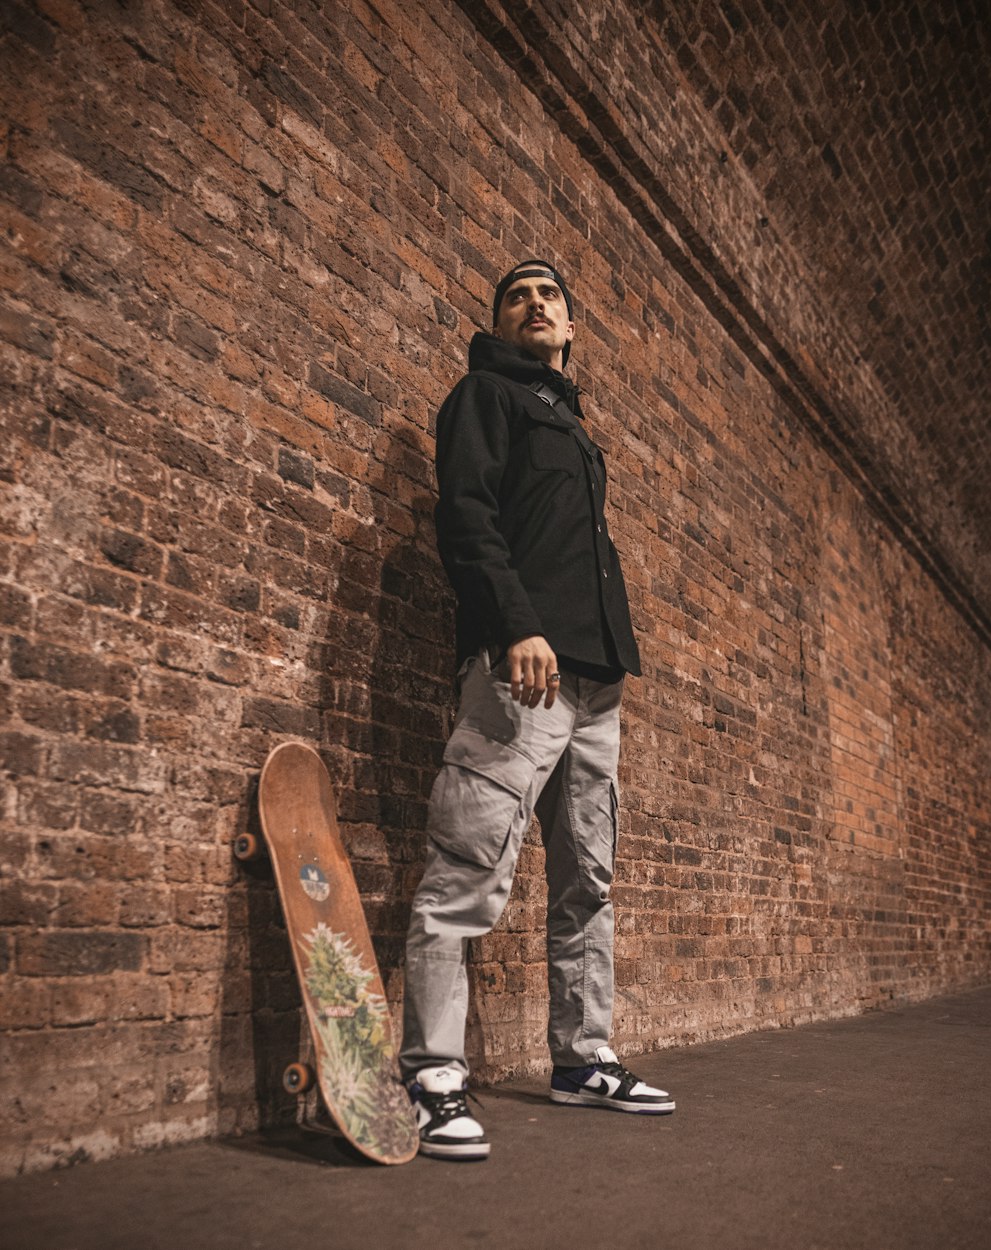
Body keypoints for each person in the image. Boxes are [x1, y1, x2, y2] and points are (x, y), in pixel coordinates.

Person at [400, 261, 675, 1160]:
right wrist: (518, 626)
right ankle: (431, 1070)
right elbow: (467, 518)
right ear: (500, 322)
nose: (536, 302)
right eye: (517, 294)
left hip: (596, 683)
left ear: (570, 328)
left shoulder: (573, 427)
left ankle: (581, 1057)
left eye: (549, 294)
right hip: (526, 669)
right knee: (470, 861)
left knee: (587, 878)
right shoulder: (486, 395)